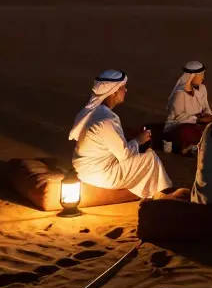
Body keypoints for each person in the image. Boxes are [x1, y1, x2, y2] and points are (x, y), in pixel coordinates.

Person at [69, 70, 181, 199]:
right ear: (114, 92)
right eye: (123, 88)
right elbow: (125, 155)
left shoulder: (93, 112)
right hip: (99, 173)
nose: (126, 90)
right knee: (149, 159)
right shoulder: (107, 119)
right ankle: (164, 196)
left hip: (85, 170)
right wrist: (139, 140)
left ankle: (156, 194)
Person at [164, 60, 212, 155]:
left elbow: (206, 106)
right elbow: (179, 117)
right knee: (185, 131)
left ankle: (195, 146)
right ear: (191, 76)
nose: (203, 78)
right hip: (179, 125)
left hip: (198, 123)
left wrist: (208, 115)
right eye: (200, 75)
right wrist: (198, 120)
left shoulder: (202, 88)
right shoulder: (179, 93)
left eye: (203, 74)